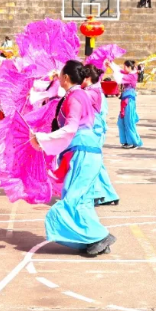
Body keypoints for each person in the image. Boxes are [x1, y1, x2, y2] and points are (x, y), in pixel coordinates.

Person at [30, 60, 115, 255]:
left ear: (66, 77)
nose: (58, 77)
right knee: (82, 199)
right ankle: (92, 239)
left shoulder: (76, 96)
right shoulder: (78, 95)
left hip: (83, 153)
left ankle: (99, 236)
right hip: (85, 152)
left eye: (60, 74)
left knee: (73, 199)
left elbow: (71, 128)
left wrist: (42, 138)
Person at [83, 63, 119, 206]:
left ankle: (99, 193)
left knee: (93, 162)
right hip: (96, 128)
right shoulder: (94, 90)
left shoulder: (93, 92)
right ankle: (107, 193)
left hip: (95, 129)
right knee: (96, 162)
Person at [108, 59, 143, 149]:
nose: (123, 68)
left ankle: (134, 142)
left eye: (125, 67)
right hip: (124, 100)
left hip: (129, 101)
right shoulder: (129, 73)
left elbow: (119, 78)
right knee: (121, 122)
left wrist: (112, 67)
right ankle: (126, 141)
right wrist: (111, 64)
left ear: (129, 67)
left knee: (129, 122)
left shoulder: (132, 76)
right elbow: (118, 70)